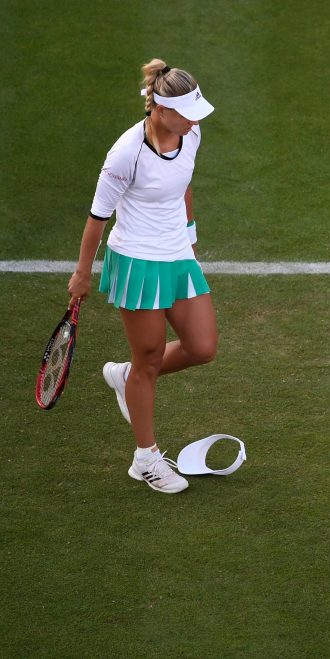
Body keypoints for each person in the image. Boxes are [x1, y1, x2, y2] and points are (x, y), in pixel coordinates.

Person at [67, 59, 217, 494]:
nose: (194, 121)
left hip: (176, 256)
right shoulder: (125, 154)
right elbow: (97, 218)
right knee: (149, 359)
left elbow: (183, 183)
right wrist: (82, 274)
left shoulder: (190, 133)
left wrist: (189, 237)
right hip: (135, 260)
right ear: (160, 110)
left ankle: (123, 376)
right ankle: (146, 459)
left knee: (203, 347)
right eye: (186, 113)